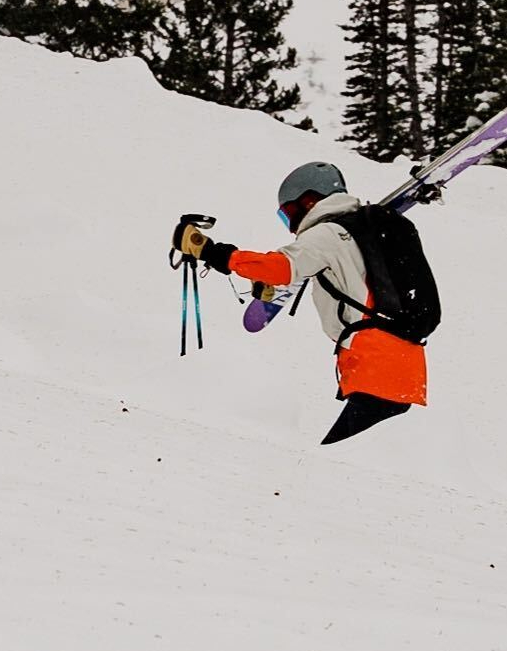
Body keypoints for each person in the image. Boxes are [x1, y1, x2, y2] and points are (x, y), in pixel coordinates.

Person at [175, 162, 427, 444]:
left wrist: (211, 251)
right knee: (354, 458)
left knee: (330, 470)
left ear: (309, 200)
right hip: (405, 366)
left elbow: (281, 267)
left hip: (373, 363)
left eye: (290, 214)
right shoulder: (359, 232)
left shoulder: (328, 234)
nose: (292, 225)